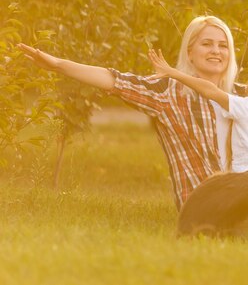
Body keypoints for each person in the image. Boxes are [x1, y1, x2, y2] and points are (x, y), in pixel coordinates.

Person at [20, 16, 234, 208]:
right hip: (203, 204)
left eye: (223, 46)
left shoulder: (244, 96)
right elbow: (114, 80)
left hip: (244, 194)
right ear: (190, 52)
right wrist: (58, 65)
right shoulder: (169, 93)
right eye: (207, 44)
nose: (216, 51)